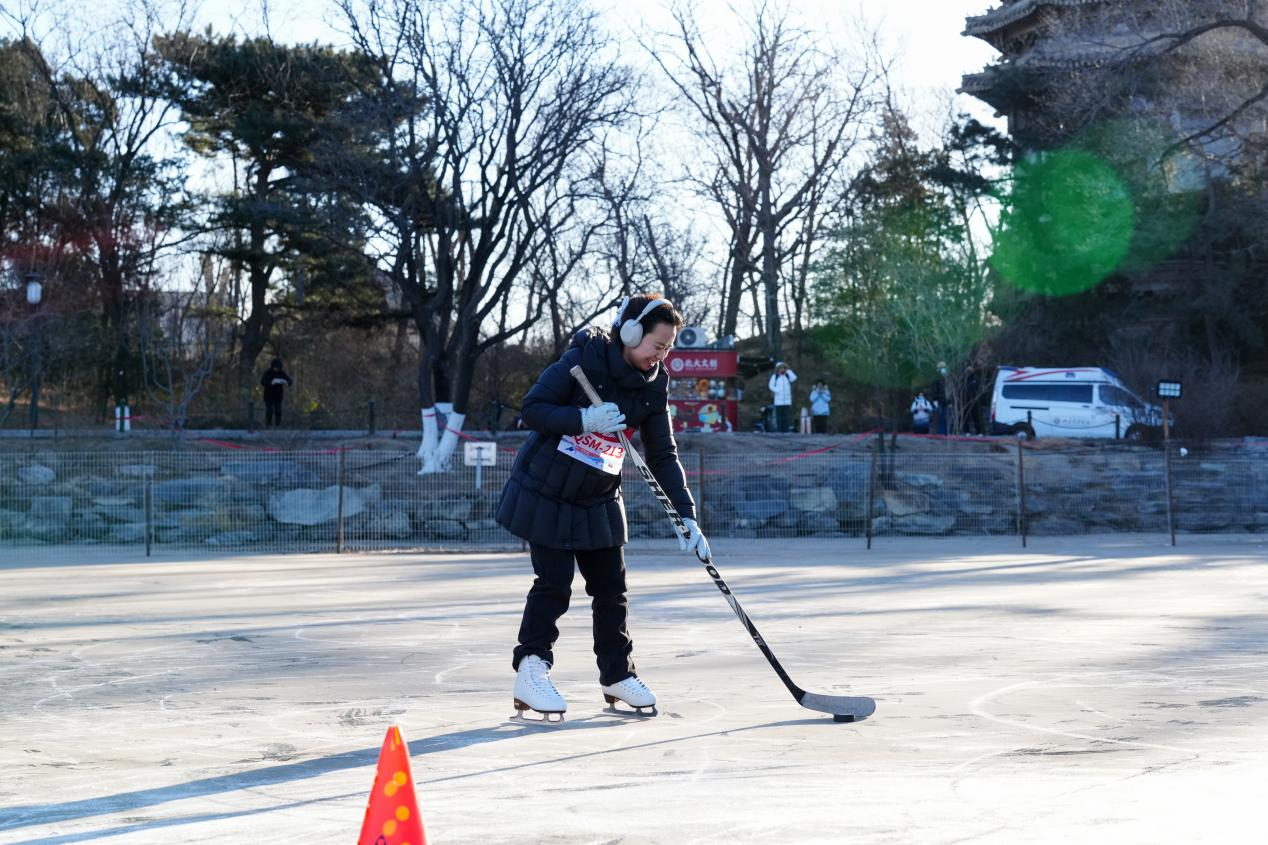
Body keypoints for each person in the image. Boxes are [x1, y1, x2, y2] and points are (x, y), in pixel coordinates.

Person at [496, 292, 708, 722]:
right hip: (548, 490)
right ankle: (531, 670)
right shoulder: (584, 360)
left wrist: (685, 515)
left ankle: (617, 674)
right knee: (554, 584)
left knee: (612, 589)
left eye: (668, 348)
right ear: (630, 332)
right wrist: (582, 421)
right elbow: (533, 409)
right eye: (657, 345)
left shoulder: (654, 384)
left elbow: (663, 454)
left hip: (599, 495)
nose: (661, 355)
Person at [260, 358, 293, 428]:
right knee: (269, 411)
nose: (276, 369)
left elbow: (290, 381)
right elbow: (262, 382)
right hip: (268, 395)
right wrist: (271, 383)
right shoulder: (267, 373)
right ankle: (268, 425)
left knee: (278, 411)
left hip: (278, 396)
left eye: (278, 368)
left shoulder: (282, 373)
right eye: (275, 367)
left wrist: (287, 382)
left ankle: (278, 425)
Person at [767, 361, 797, 433]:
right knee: (779, 417)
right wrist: (777, 390)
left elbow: (794, 378)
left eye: (783, 368)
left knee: (786, 417)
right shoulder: (775, 376)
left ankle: (786, 431)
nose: (782, 369)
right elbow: (770, 386)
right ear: (777, 369)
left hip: (787, 401)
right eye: (780, 368)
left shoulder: (787, 376)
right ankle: (779, 431)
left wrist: (788, 370)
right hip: (778, 401)